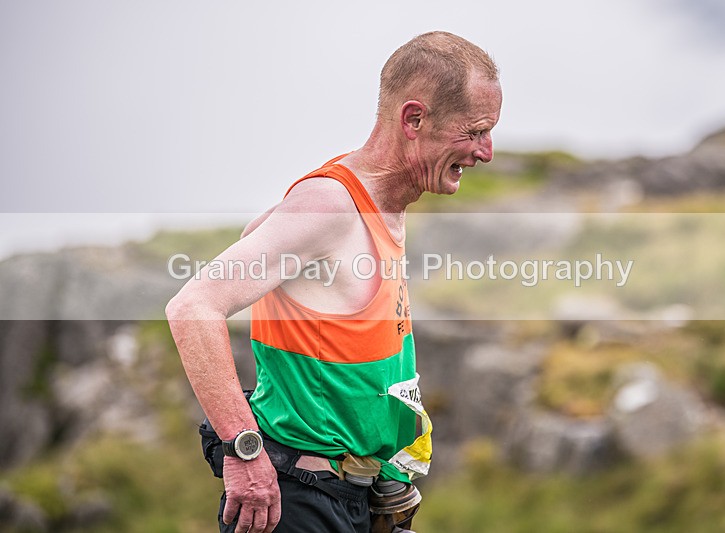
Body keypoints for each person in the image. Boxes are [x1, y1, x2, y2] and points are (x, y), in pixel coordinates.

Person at [166, 30, 501, 533]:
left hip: (352, 499)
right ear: (414, 119)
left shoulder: (378, 205)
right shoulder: (331, 204)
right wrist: (243, 451)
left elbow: (258, 238)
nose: (487, 151)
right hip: (294, 502)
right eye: (474, 131)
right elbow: (194, 307)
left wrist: (384, 467)